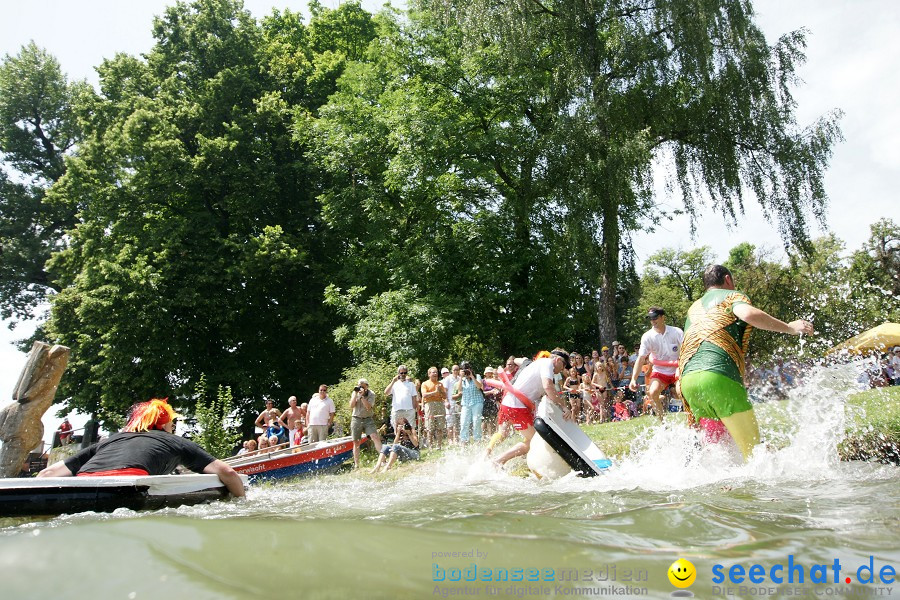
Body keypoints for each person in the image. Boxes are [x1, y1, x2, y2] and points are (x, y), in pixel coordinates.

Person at [679, 264, 814, 460]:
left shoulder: (694, 308)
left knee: (719, 459)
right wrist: (790, 328)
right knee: (754, 457)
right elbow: (748, 314)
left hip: (689, 384)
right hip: (719, 379)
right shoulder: (732, 296)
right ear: (727, 279)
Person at [37, 399, 244, 497]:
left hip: (81, 488)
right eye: (172, 422)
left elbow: (48, 473)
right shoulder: (175, 442)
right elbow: (227, 472)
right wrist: (241, 502)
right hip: (127, 488)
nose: (173, 426)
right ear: (164, 425)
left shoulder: (109, 440)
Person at [485, 349, 572, 467]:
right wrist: (564, 406)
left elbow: (546, 392)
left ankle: (490, 454)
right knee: (533, 441)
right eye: (564, 365)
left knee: (508, 434)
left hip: (511, 403)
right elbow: (548, 387)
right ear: (557, 360)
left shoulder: (538, 363)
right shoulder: (548, 364)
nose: (563, 369)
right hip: (516, 405)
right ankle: (498, 461)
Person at [629, 307, 684, 420]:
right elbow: (640, 359)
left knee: (681, 392)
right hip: (660, 370)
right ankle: (662, 422)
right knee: (652, 392)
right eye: (650, 319)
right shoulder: (647, 336)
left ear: (663, 317)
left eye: (655, 318)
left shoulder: (676, 331)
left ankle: (692, 418)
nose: (653, 321)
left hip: (678, 368)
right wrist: (633, 379)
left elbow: (687, 349)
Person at [350, 378, 382, 468]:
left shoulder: (371, 394)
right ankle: (356, 464)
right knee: (356, 441)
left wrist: (362, 397)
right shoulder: (355, 393)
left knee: (375, 437)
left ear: (366, 386)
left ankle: (382, 460)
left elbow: (368, 407)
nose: (360, 388)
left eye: (362, 386)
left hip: (368, 418)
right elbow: (351, 406)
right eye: (359, 385)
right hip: (356, 418)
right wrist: (355, 396)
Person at [456, 361, 485, 444]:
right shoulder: (462, 379)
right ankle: (464, 441)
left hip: (477, 402)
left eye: (467, 369)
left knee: (476, 421)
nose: (466, 371)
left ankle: (477, 440)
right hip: (466, 403)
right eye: (463, 369)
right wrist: (461, 378)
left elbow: (479, 386)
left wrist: (472, 376)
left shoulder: (477, 376)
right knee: (464, 422)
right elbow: (459, 389)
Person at [385, 364, 420, 430]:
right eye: (401, 373)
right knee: (397, 429)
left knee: (411, 429)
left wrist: (414, 410)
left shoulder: (411, 384)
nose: (403, 374)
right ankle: (398, 440)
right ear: (398, 373)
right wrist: (393, 381)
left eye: (405, 373)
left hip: (409, 410)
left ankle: (411, 440)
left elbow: (414, 397)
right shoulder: (395, 384)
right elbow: (386, 393)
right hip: (397, 410)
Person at [420, 367, 447, 450]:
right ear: (429, 374)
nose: (435, 374)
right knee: (430, 427)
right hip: (430, 405)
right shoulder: (425, 384)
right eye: (433, 372)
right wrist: (435, 392)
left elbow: (445, 396)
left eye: (436, 372)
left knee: (440, 426)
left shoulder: (440, 384)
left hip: (440, 404)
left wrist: (440, 391)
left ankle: (439, 446)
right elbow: (424, 395)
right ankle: (430, 446)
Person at [482, 367, 501, 438]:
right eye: (488, 372)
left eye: (490, 372)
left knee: (494, 418)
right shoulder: (483, 381)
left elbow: (498, 389)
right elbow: (482, 392)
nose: (489, 373)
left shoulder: (494, 381)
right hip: (486, 401)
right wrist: (491, 392)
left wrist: (497, 391)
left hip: (494, 401)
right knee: (486, 419)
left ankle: (493, 434)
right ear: (485, 373)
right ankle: (484, 435)